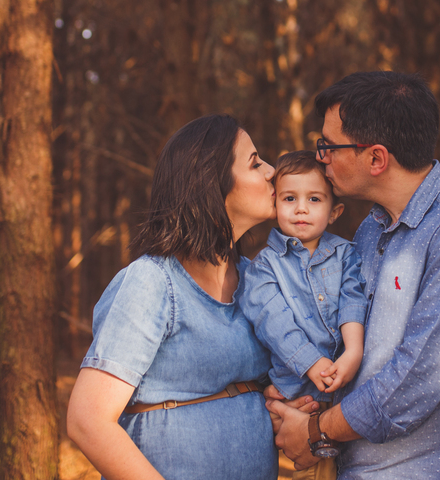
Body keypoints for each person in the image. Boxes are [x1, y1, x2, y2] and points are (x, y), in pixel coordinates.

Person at [268, 71, 440, 480]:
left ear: (377, 158)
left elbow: (419, 379)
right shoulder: (371, 229)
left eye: (328, 146)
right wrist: (299, 394)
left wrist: (314, 430)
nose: (320, 158)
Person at [65, 114, 281, 480]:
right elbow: (88, 421)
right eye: (255, 162)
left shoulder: (257, 280)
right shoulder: (151, 283)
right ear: (212, 184)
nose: (272, 170)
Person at [237, 150, 369, 480]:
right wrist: (311, 362)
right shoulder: (263, 267)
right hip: (300, 399)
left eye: (314, 199)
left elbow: (353, 301)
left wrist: (353, 351)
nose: (300, 209)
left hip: (346, 395)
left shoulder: (347, 254)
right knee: (312, 472)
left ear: (334, 210)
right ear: (275, 204)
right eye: (289, 198)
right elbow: (274, 322)